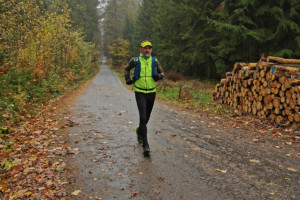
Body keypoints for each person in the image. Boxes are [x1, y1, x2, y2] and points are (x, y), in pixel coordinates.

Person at [124, 40, 164, 154]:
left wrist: (159, 76)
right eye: (145, 48)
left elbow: (163, 74)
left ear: (151, 49)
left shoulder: (155, 61)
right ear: (141, 49)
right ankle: (145, 145)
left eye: (149, 48)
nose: (147, 50)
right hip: (139, 91)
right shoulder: (135, 60)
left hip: (152, 91)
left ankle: (139, 131)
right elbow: (127, 69)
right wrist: (127, 78)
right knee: (142, 117)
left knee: (147, 117)